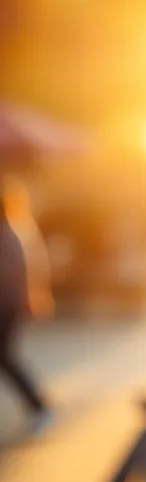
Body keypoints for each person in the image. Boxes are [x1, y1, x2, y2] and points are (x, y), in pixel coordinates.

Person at [0, 174, 53, 433]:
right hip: (9, 305)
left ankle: (40, 406)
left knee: (6, 358)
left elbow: (15, 272)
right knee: (6, 358)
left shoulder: (9, 232)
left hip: (5, 306)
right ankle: (39, 405)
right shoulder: (13, 230)